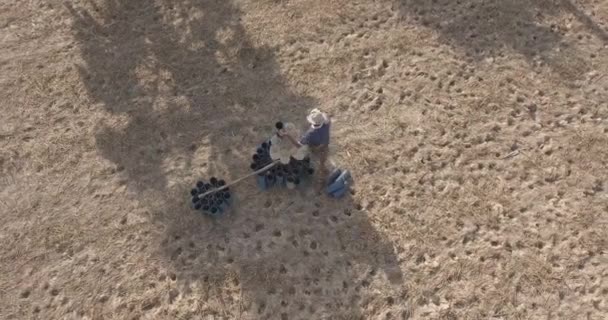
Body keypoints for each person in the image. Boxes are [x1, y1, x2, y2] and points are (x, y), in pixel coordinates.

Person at [281, 108, 331, 192]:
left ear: (313, 123)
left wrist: (288, 135)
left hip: (317, 150)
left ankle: (320, 182)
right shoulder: (327, 122)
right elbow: (325, 115)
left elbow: (298, 145)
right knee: (323, 160)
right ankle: (324, 168)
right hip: (325, 146)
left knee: (319, 165)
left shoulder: (310, 134)